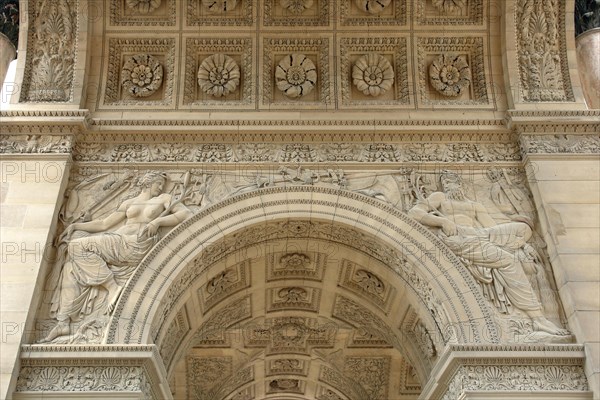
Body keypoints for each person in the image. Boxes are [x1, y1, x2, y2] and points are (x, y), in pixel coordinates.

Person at [408, 172, 569, 336]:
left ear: (460, 184)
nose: (451, 185)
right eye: (447, 182)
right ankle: (538, 319)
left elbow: (491, 228)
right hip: (457, 240)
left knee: (522, 228)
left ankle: (514, 242)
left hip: (478, 236)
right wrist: (443, 221)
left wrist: (522, 245)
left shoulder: (474, 205)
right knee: (508, 261)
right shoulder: (440, 197)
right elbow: (415, 213)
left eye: (454, 181)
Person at [41, 171, 193, 343]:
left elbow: (185, 214)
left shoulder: (164, 198)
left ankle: (112, 287)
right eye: (159, 183)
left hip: (135, 244)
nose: (161, 187)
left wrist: (157, 222)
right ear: (149, 182)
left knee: (77, 246)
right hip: (117, 241)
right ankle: (63, 321)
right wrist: (76, 225)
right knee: (71, 267)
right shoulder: (128, 203)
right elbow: (104, 224)